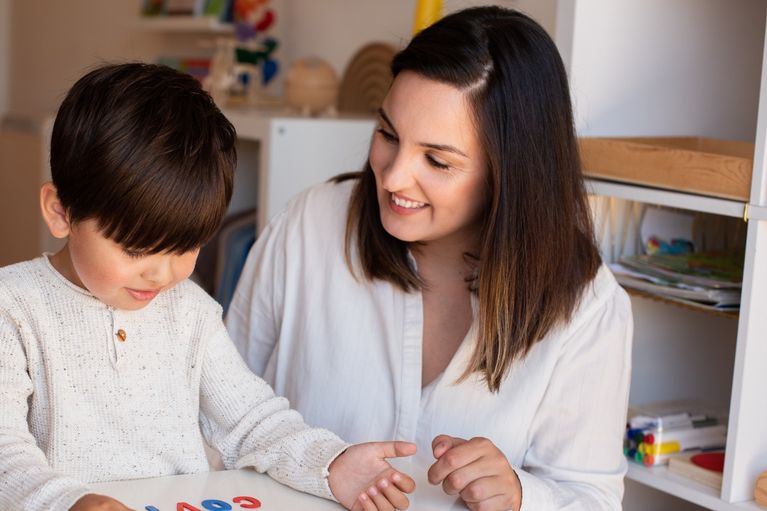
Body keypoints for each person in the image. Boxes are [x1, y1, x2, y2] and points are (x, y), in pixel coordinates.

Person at [226, 6, 633, 511]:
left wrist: (521, 496)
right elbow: (220, 415)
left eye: (437, 161)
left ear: (513, 175)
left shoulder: (587, 306)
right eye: (388, 134)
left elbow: (591, 498)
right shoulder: (310, 226)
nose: (394, 177)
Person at [0, 63, 418, 511]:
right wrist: (72, 503)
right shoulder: (15, 308)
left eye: (186, 246)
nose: (162, 275)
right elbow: (6, 455)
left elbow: (250, 419)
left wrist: (330, 464)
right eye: (136, 249)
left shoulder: (189, 309)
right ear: (61, 212)